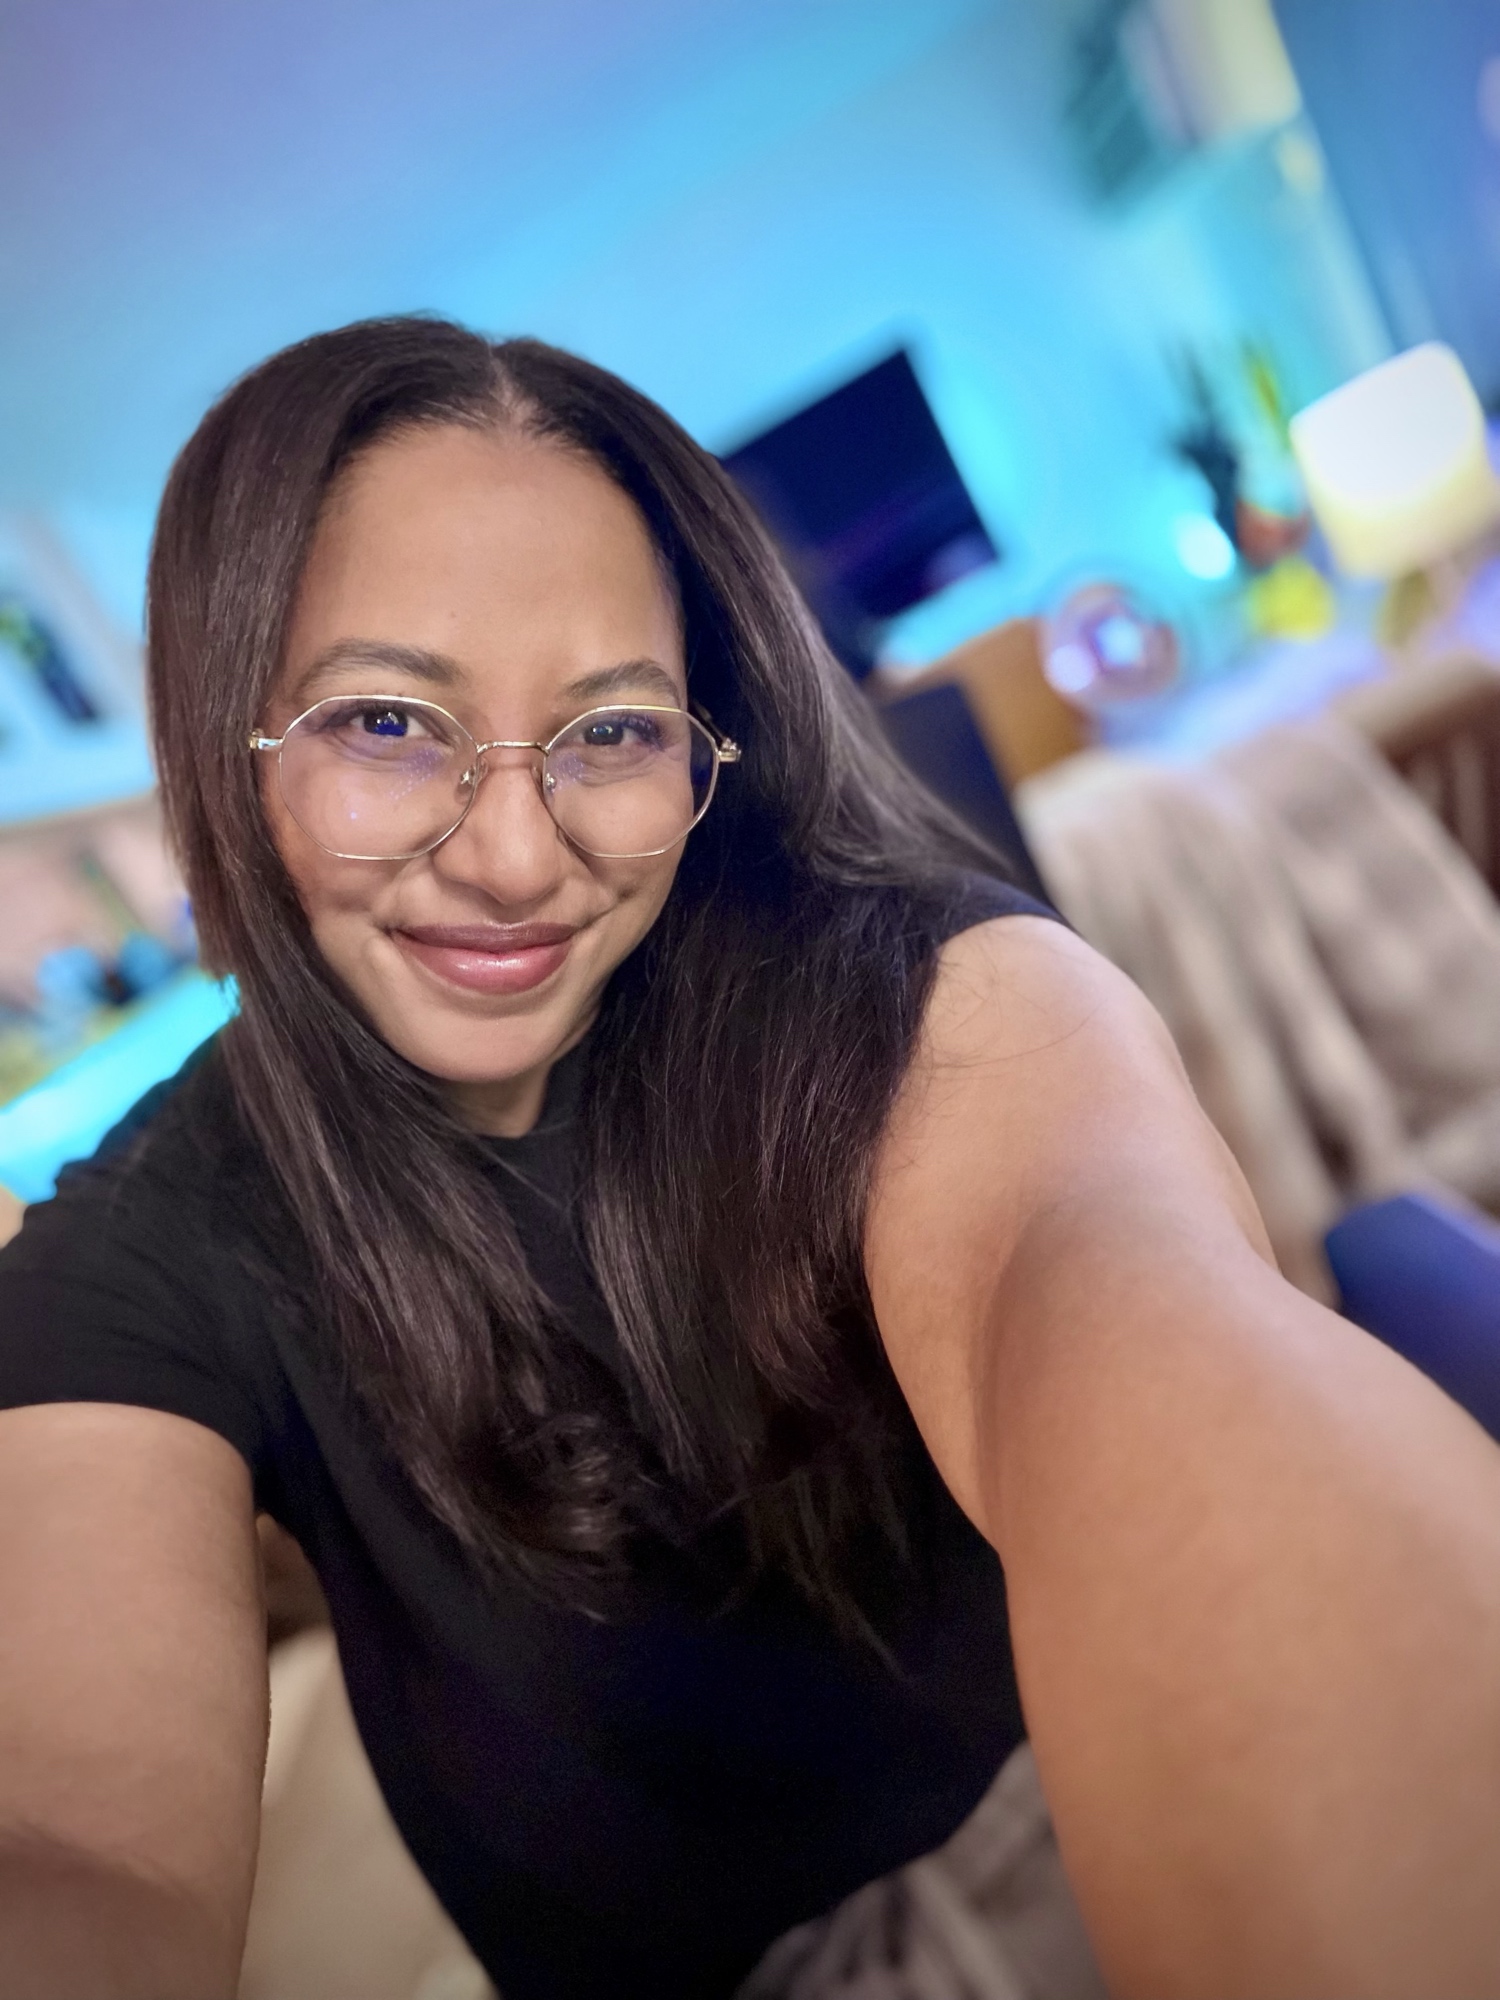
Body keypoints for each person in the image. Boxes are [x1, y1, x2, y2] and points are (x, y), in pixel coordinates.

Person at [2, 318, 1499, 2000]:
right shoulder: (151, 1237)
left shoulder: (911, 990)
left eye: (613, 732)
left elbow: (1121, 1306)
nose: (517, 859)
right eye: (389, 722)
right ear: (231, 741)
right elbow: (78, 1839)